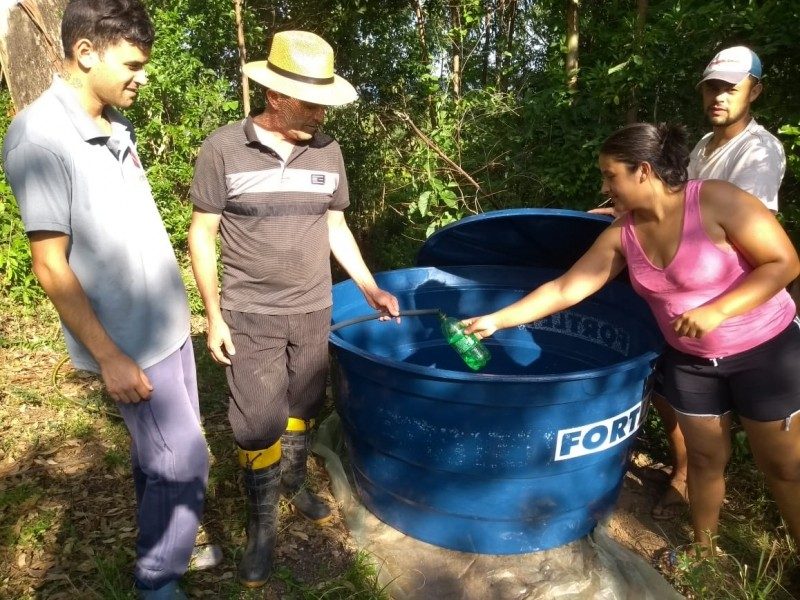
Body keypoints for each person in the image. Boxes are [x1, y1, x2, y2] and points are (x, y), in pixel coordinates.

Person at [465, 122, 800, 557]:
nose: (605, 186)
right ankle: (705, 553)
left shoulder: (717, 200)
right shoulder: (623, 233)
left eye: (611, 175)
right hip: (692, 362)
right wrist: (497, 320)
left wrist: (718, 309)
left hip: (765, 352)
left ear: (643, 171)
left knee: (783, 468)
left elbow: (784, 262)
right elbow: (567, 288)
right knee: (703, 461)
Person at [2, 1, 209, 598]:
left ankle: (162, 544)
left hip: (168, 328)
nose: (142, 76)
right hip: (129, 344)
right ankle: (156, 579)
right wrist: (110, 356)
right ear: (86, 52)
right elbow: (50, 264)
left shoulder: (117, 124)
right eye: (133, 64)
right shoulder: (38, 138)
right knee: (185, 461)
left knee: (159, 459)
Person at [188, 30, 400, 588]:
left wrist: (370, 286)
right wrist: (213, 314)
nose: (322, 114)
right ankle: (261, 529)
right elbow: (202, 234)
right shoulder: (223, 149)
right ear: (276, 95)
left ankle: (296, 480)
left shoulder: (327, 151)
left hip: (313, 308)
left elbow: (336, 226)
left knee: (305, 401)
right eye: (311, 102)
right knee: (257, 422)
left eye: (326, 103)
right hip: (250, 312)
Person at [593, 46, 788, 521]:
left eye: (730, 87)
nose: (718, 96)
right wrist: (627, 215)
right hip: (690, 334)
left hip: (746, 319)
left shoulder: (758, 151)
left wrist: (717, 309)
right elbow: (669, 201)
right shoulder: (703, 147)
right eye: (711, 86)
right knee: (698, 443)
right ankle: (690, 499)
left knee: (782, 462)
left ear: (754, 91)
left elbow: (757, 242)